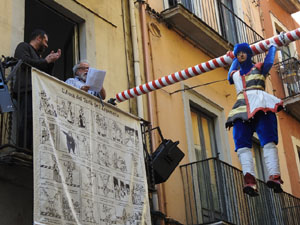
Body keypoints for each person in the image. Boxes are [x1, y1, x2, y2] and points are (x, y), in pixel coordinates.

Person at [226, 43, 284, 197]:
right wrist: (233, 58)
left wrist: (273, 46)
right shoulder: (236, 75)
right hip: (242, 108)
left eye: (244, 52)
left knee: (268, 139)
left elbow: (269, 63)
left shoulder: (259, 67)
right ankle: (249, 179)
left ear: (249, 54)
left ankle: (275, 176)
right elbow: (229, 76)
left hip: (260, 104)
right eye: (239, 54)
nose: (241, 55)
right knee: (241, 143)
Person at [13, 29, 61, 150]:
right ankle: (23, 149)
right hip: (26, 90)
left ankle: (31, 150)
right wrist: (45, 61)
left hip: (36, 92)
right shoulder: (23, 46)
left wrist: (50, 62)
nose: (46, 45)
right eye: (45, 41)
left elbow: (45, 74)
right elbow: (24, 61)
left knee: (34, 123)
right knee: (27, 120)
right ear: (38, 38)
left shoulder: (39, 57)